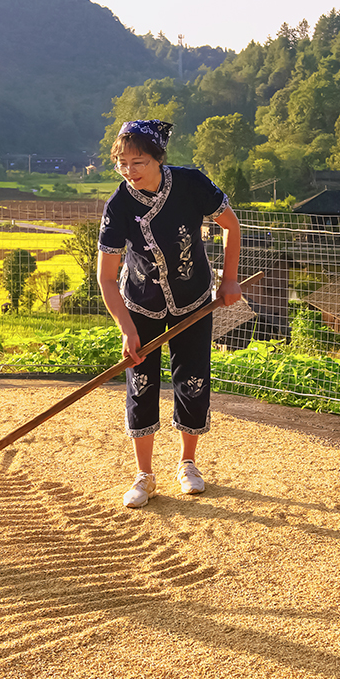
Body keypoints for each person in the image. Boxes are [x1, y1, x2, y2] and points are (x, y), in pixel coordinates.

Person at [96, 119, 242, 508]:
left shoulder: (192, 184)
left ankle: (187, 463)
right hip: (140, 302)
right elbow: (107, 279)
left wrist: (229, 281)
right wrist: (127, 330)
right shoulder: (118, 205)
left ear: (159, 159)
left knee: (192, 377)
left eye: (138, 162)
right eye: (121, 163)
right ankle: (144, 475)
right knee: (140, 383)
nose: (130, 171)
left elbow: (231, 224)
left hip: (193, 298)